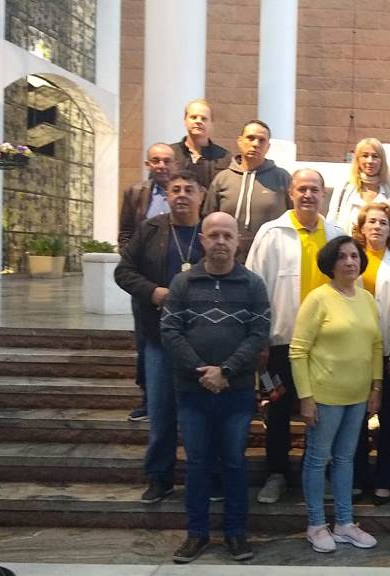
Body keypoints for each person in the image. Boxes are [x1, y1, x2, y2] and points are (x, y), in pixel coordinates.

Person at [160, 212, 271, 564]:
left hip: (236, 392)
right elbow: (170, 332)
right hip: (192, 392)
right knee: (197, 464)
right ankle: (197, 534)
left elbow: (258, 334)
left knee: (235, 463)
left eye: (227, 235)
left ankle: (236, 533)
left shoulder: (253, 285)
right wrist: (202, 372)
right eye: (214, 235)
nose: (221, 241)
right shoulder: (183, 283)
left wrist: (225, 371)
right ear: (202, 240)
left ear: (238, 241)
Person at [245, 168, 344, 505]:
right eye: (302, 189)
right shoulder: (271, 233)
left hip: (325, 346)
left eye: (315, 189)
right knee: (278, 410)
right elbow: (255, 287)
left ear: (323, 194)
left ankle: (318, 471)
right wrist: (259, 338)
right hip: (281, 343)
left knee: (323, 411)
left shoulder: (336, 235)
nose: (308, 195)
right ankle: (276, 473)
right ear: (291, 193)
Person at [115, 170, 205, 505]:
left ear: (202, 195)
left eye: (188, 189)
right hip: (160, 337)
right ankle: (159, 477)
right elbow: (123, 272)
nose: (181, 195)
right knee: (161, 412)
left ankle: (205, 478)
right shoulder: (150, 230)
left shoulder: (211, 230)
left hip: (203, 339)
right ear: (167, 195)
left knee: (200, 415)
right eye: (175, 189)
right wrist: (153, 292)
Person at [291, 236, 383, 553]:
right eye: (342, 257)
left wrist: (376, 386)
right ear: (331, 263)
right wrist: (306, 397)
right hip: (324, 396)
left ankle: (344, 523)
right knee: (318, 460)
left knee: (345, 459)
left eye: (354, 256)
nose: (349, 262)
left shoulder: (367, 299)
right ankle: (316, 524)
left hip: (357, 396)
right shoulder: (318, 299)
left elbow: (376, 345)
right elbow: (298, 351)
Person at [351, 202, 390, 504]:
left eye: (383, 223)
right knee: (356, 419)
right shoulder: (351, 258)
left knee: (388, 420)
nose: (377, 227)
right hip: (355, 352)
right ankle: (357, 477)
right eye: (371, 222)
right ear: (362, 228)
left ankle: (386, 478)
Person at [118, 142, 175, 422]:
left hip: (177, 281)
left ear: (175, 164)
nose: (161, 165)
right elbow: (125, 233)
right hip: (146, 284)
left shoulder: (186, 192)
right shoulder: (135, 193)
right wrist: (135, 264)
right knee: (144, 342)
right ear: (147, 164)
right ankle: (148, 399)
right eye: (156, 160)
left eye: (166, 160)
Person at [205, 120, 292, 260]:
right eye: (250, 138)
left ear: (268, 147)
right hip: (228, 259)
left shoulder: (282, 178)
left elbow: (293, 218)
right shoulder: (222, 179)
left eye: (262, 140)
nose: (256, 144)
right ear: (240, 141)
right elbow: (208, 220)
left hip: (271, 258)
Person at [329, 138, 390, 234]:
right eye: (365, 156)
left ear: (382, 161)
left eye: (375, 156)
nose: (370, 161)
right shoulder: (343, 191)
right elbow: (331, 225)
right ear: (357, 160)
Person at [170, 98, 232, 190]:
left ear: (211, 123)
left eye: (204, 118)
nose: (198, 121)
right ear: (185, 120)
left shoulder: (225, 158)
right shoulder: (170, 154)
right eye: (193, 117)